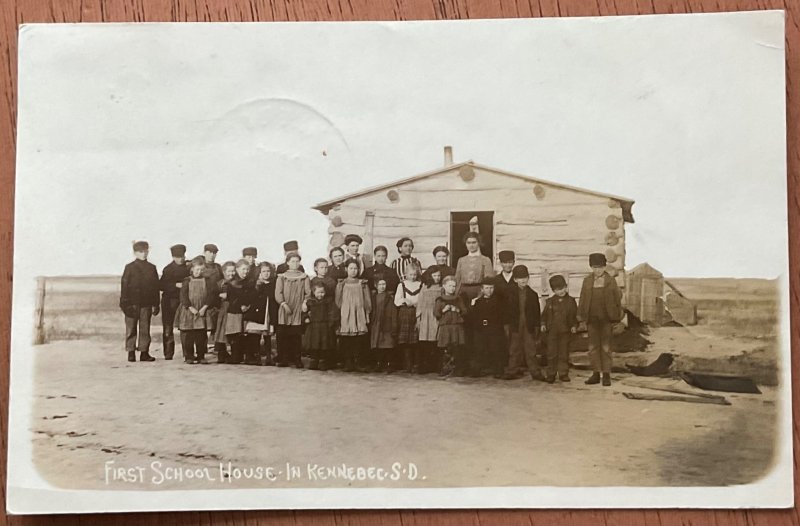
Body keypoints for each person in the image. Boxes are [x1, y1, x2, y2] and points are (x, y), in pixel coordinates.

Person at [578, 253, 624, 386]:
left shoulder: (610, 281)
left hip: (606, 320)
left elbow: (617, 300)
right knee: (593, 347)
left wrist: (617, 317)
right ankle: (596, 373)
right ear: (591, 267)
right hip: (592, 320)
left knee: (606, 347)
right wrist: (581, 317)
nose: (597, 270)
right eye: (594, 267)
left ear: (605, 267)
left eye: (600, 267)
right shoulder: (587, 281)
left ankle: (606, 374)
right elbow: (582, 300)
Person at [119, 240, 160, 363]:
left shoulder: (152, 268)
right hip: (132, 304)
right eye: (140, 251)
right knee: (131, 329)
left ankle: (144, 353)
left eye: (145, 251)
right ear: (135, 253)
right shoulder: (130, 267)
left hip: (146, 304)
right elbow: (124, 287)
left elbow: (155, 288)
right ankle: (131, 352)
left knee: (145, 329)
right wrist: (125, 304)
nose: (143, 254)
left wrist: (156, 304)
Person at [505, 265, 545, 381]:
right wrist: (507, 324)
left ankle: (535, 372)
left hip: (528, 325)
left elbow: (537, 311)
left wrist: (537, 325)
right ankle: (512, 370)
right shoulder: (510, 293)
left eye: (525, 277)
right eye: (520, 278)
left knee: (531, 349)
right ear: (515, 280)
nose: (523, 280)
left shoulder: (533, 294)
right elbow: (506, 311)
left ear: (528, 278)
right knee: (514, 349)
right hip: (515, 324)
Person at [176, 256, 218, 364]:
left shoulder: (207, 281)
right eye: (197, 269)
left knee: (201, 335)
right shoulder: (186, 281)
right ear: (192, 269)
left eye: (201, 270)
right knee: (188, 335)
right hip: (188, 311)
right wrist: (190, 308)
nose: (199, 272)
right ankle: (189, 356)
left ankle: (201, 356)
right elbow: (183, 296)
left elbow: (210, 295)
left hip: (202, 310)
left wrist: (204, 307)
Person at [335, 258, 372, 371]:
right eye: (351, 268)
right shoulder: (342, 284)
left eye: (356, 268)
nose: (353, 271)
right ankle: (348, 362)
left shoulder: (363, 284)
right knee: (347, 339)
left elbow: (367, 300)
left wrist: (366, 312)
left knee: (359, 338)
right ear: (346, 269)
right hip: (346, 313)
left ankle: (358, 361)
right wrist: (345, 310)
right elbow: (338, 300)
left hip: (359, 313)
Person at [275, 252, 311, 368]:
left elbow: (308, 293)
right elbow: (278, 293)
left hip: (297, 308)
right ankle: (283, 359)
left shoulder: (304, 277)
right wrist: (284, 304)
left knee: (296, 335)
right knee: (283, 334)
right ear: (287, 263)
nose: (295, 264)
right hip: (285, 308)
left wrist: (305, 302)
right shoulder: (282, 277)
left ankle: (297, 359)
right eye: (292, 261)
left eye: (297, 261)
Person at [541, 274, 578, 382]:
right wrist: (543, 324)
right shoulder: (550, 302)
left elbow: (574, 316)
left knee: (563, 353)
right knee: (551, 354)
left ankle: (563, 373)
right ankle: (551, 374)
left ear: (566, 287)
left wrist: (574, 326)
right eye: (557, 290)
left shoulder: (571, 301)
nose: (561, 291)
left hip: (565, 332)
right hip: (552, 332)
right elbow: (544, 315)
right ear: (553, 290)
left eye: (562, 288)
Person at [469, 277, 508, 378]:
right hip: (481, 329)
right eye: (486, 288)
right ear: (482, 289)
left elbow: (501, 315)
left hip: (494, 328)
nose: (489, 290)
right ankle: (477, 370)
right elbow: (473, 316)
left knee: (496, 348)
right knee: (479, 348)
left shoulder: (498, 301)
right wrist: (472, 306)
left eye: (491, 288)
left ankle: (498, 370)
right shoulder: (477, 302)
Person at [243, 262, 278, 366]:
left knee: (267, 335)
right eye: (264, 271)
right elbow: (251, 298)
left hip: (268, 312)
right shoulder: (255, 284)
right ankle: (255, 356)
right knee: (255, 335)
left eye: (268, 271)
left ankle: (268, 356)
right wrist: (258, 286)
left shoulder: (274, 284)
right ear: (259, 273)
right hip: (257, 313)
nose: (266, 274)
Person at [158, 244, 189, 360]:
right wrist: (175, 285)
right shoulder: (168, 269)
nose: (180, 259)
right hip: (169, 302)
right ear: (173, 257)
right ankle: (168, 353)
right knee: (168, 328)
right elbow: (160, 285)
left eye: (181, 256)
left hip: (183, 301)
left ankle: (187, 353)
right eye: (177, 257)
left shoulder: (188, 268)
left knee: (186, 327)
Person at [434, 276, 468, 376]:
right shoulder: (439, 299)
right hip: (446, 327)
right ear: (444, 286)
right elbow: (436, 313)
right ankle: (445, 367)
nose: (452, 288)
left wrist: (457, 310)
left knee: (457, 348)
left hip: (457, 326)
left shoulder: (458, 299)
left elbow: (465, 311)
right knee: (445, 348)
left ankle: (456, 368)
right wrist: (443, 310)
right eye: (450, 286)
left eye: (454, 286)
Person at [394, 262, 422, 373]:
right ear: (406, 274)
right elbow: (397, 300)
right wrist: (404, 300)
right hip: (405, 313)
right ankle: (407, 364)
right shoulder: (402, 285)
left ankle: (416, 364)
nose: (413, 277)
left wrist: (416, 303)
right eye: (410, 274)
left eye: (415, 274)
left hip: (417, 312)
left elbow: (422, 298)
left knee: (416, 338)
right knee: (406, 340)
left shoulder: (420, 284)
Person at [302, 284, 338, 370]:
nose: (320, 295)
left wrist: (331, 323)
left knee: (324, 344)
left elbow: (332, 313)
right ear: (313, 293)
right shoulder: (310, 302)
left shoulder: (328, 302)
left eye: (322, 292)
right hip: (313, 327)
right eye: (318, 292)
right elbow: (304, 312)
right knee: (314, 344)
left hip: (325, 327)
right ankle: (314, 360)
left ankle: (323, 361)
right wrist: (306, 318)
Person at [224, 259, 252, 364]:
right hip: (234, 311)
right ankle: (236, 356)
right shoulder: (232, 283)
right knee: (234, 334)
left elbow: (251, 296)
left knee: (245, 334)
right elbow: (231, 298)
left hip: (246, 311)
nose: (245, 271)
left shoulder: (250, 282)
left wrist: (247, 305)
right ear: (237, 269)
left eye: (247, 269)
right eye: (243, 269)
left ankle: (247, 356)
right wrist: (240, 305)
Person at [454, 232, 494, 303]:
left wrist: (481, 295)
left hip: (479, 291)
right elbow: (457, 279)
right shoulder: (461, 260)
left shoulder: (485, 260)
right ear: (465, 244)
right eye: (468, 243)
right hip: (463, 292)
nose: (471, 245)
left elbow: (488, 281)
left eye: (474, 242)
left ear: (478, 243)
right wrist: (456, 295)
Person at [416, 266, 443, 373]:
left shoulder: (441, 288)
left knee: (435, 340)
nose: (437, 278)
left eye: (439, 275)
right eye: (435, 275)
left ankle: (436, 365)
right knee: (424, 341)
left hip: (436, 316)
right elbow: (420, 303)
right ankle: (423, 365)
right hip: (425, 316)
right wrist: (418, 318)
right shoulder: (424, 287)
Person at [369, 277, 397, 372]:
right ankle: (379, 363)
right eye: (380, 284)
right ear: (376, 286)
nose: (382, 286)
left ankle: (389, 364)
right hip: (377, 324)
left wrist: (394, 325)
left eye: (384, 284)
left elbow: (393, 312)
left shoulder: (390, 298)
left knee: (388, 345)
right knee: (378, 345)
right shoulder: (373, 297)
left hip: (387, 323)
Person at [213, 261, 237, 363]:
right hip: (222, 311)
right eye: (229, 271)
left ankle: (235, 354)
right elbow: (213, 296)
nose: (231, 273)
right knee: (221, 331)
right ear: (223, 272)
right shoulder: (220, 283)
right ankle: (221, 353)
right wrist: (219, 296)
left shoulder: (237, 283)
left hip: (233, 310)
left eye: (233, 271)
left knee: (233, 331)